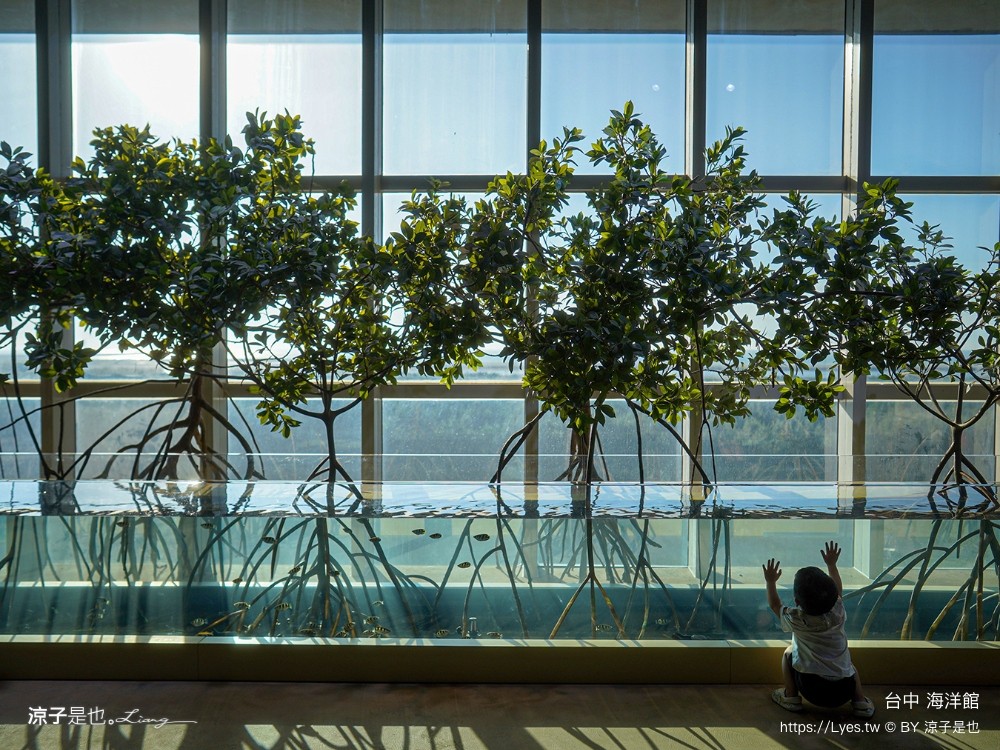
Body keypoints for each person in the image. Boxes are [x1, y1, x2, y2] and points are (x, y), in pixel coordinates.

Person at [762, 541, 875, 717]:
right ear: (834, 596)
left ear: (797, 602)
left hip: (810, 687)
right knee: (849, 665)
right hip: (844, 689)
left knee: (788, 653)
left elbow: (775, 604)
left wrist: (770, 582)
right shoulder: (838, 610)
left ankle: (790, 697)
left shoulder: (796, 618)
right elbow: (838, 591)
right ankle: (861, 703)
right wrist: (832, 565)